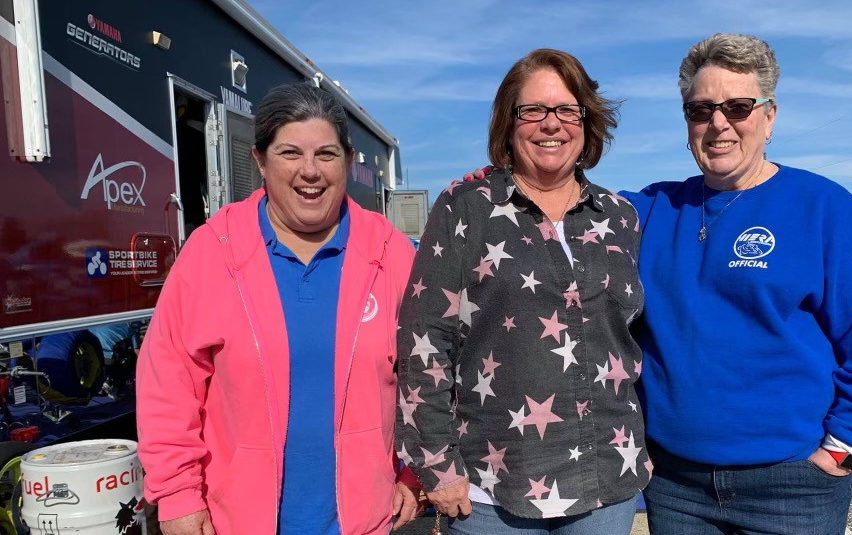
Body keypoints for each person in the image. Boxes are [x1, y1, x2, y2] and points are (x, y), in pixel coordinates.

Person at [619, 33, 852, 534]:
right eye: (700, 110)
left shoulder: (826, 212)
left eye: (738, 106)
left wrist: (846, 449)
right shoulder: (650, 210)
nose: (718, 124)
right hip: (675, 485)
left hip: (794, 486)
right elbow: (560, 207)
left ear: (769, 116)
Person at [136, 82, 419, 535]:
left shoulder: (390, 252)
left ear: (347, 162)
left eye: (326, 154)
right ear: (260, 161)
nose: (310, 171)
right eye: (290, 153)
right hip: (237, 521)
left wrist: (416, 466)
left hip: (363, 520)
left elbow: (429, 374)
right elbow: (167, 384)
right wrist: (176, 496)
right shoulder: (214, 252)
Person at [395, 49, 650, 535]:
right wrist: (435, 463)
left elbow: (639, 338)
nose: (550, 124)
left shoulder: (620, 217)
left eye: (566, 110)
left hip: (606, 483)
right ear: (508, 123)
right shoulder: (465, 208)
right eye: (532, 110)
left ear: (587, 121)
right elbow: (423, 340)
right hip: (493, 492)